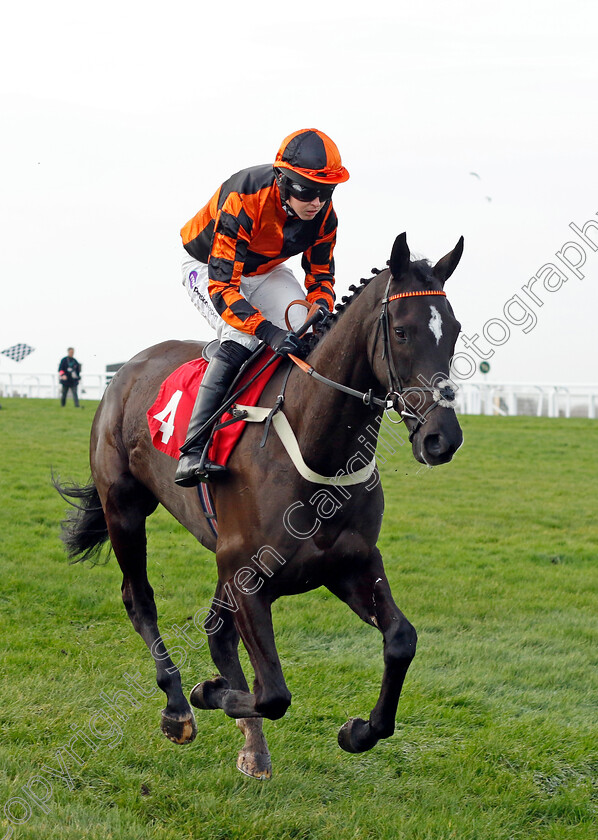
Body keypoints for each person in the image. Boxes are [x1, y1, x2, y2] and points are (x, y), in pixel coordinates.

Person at [175, 128, 350, 487]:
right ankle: (192, 450)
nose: (317, 202)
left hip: (266, 270)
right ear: (283, 180)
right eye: (307, 190)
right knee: (243, 336)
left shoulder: (324, 216)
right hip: (208, 267)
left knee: (307, 330)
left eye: (326, 192)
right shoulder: (245, 196)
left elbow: (320, 278)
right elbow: (224, 287)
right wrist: (268, 331)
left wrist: (320, 309)